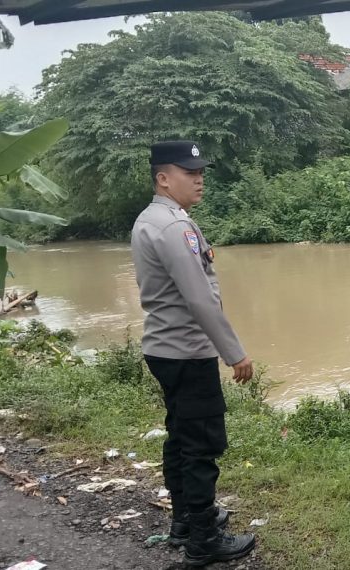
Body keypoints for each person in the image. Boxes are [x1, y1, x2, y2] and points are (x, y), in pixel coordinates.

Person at [130, 141, 256, 567]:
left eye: (201, 171)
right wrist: (234, 352)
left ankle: (186, 520)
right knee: (201, 444)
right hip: (187, 351)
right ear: (163, 178)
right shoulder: (172, 228)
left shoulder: (156, 219)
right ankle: (203, 540)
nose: (199, 178)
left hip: (165, 348)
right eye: (189, 172)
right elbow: (200, 299)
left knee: (181, 436)